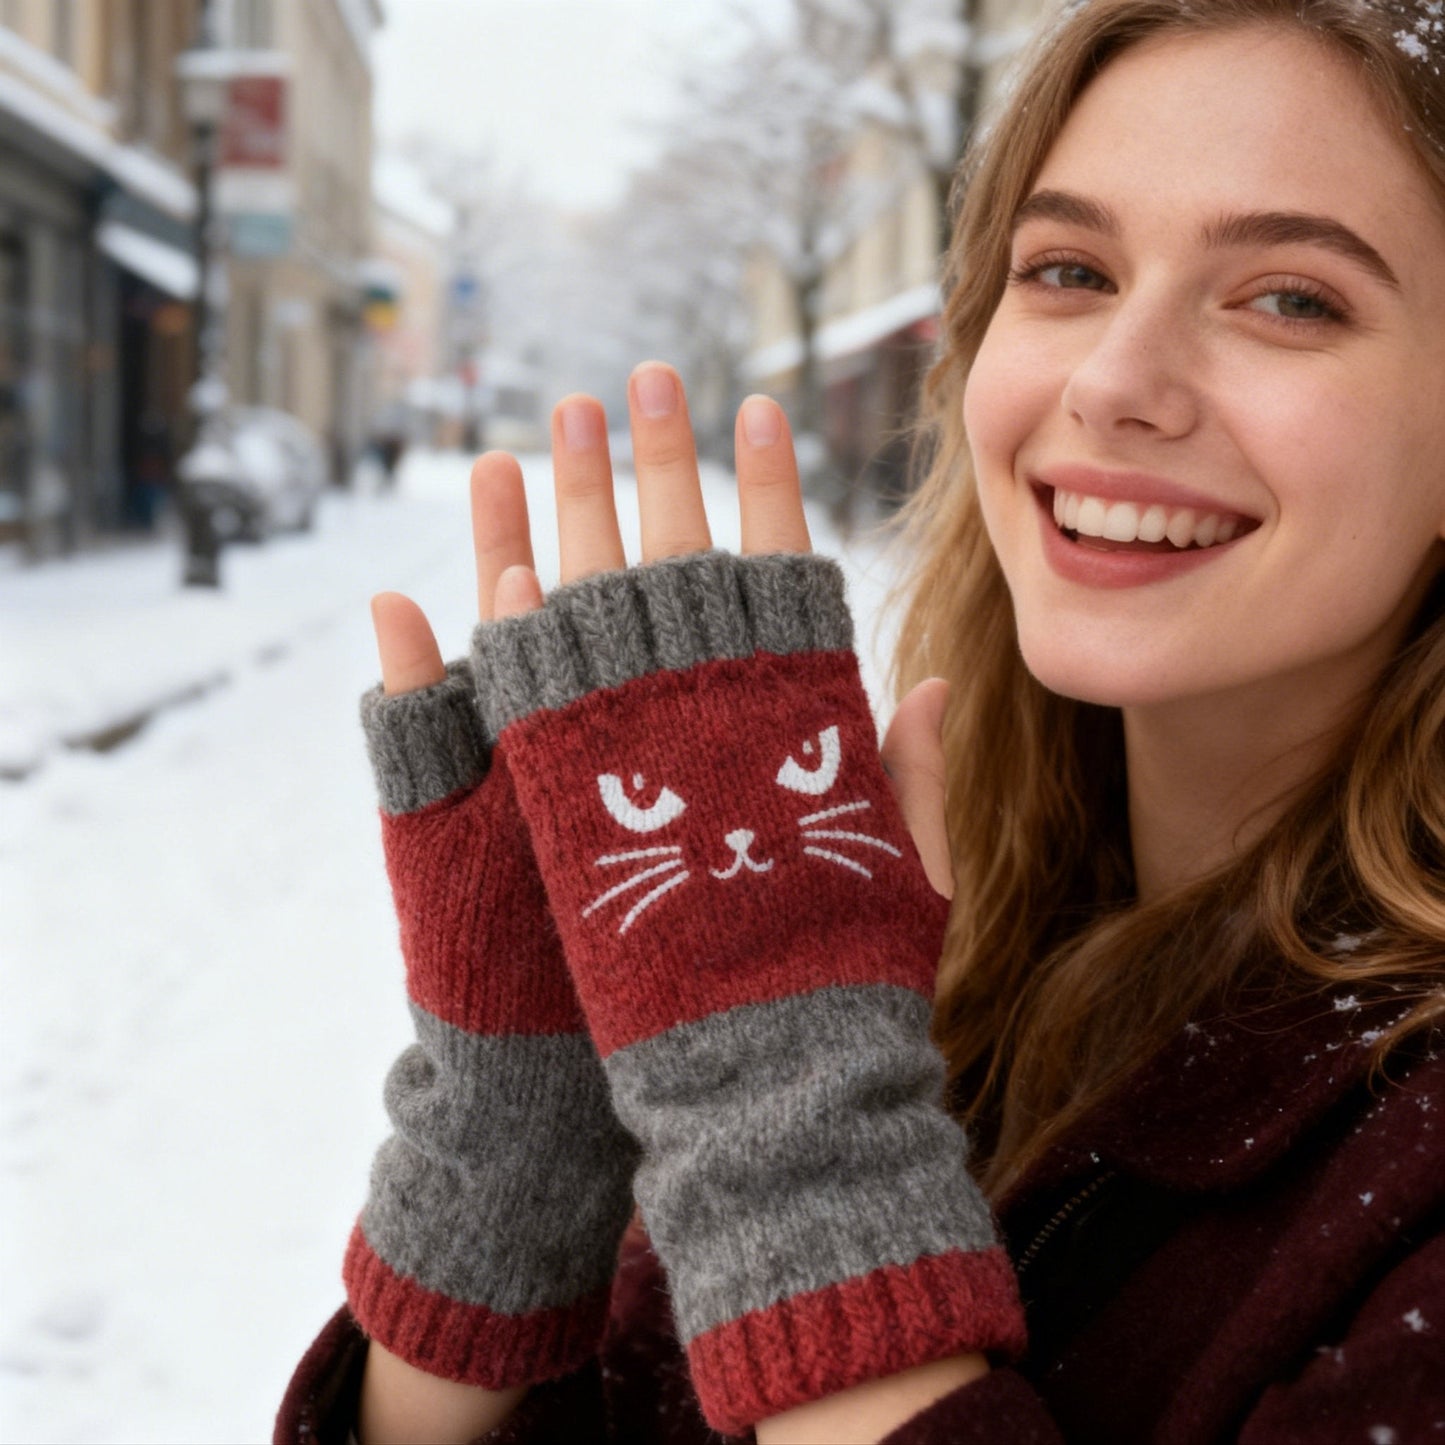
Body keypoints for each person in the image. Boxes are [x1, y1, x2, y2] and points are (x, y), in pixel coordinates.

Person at [277, 0, 1445, 1437]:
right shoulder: (897, 915)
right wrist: (514, 1150)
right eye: (1067, 268)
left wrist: (799, 1149)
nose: (1111, 383)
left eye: (1291, 298)